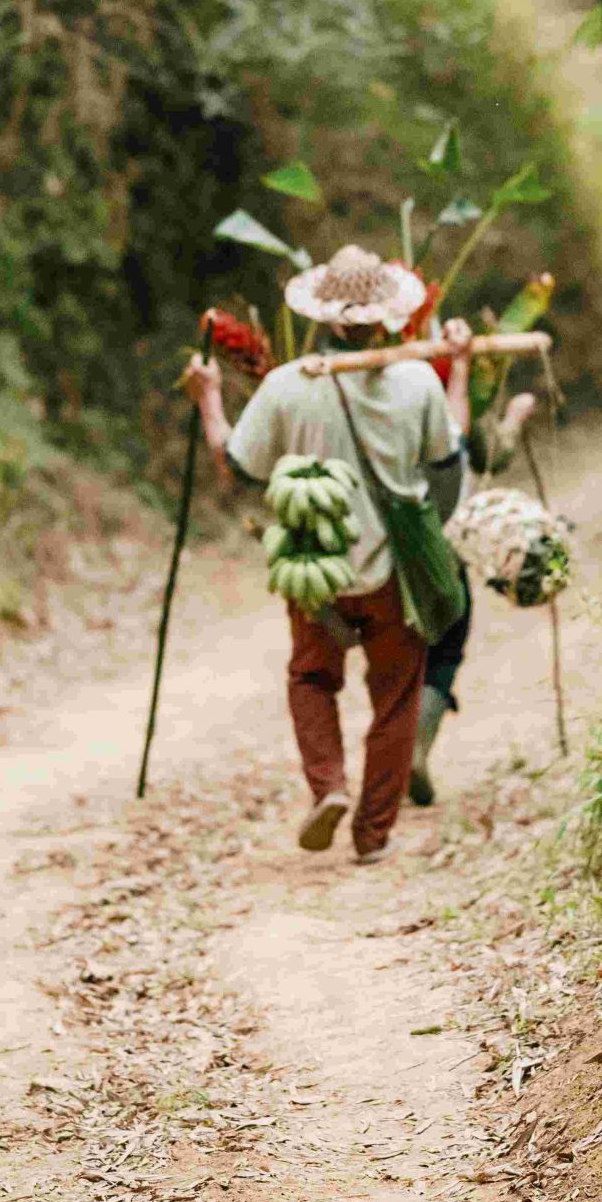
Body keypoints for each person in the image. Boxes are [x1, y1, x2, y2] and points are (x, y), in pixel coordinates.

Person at [181, 246, 471, 866]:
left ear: (329, 317)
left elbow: (234, 464)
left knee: (311, 679)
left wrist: (208, 398)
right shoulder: (420, 380)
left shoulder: (288, 385)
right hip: (394, 570)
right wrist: (463, 370)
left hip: (315, 565)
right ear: (388, 314)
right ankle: (373, 835)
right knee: (396, 696)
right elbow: (449, 464)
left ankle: (329, 787)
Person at [407, 387, 540, 808]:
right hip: (438, 540)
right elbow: (485, 456)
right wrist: (515, 419)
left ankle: (390, 759)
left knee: (391, 647)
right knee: (444, 647)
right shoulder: (449, 382)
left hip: (372, 539)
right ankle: (413, 749)